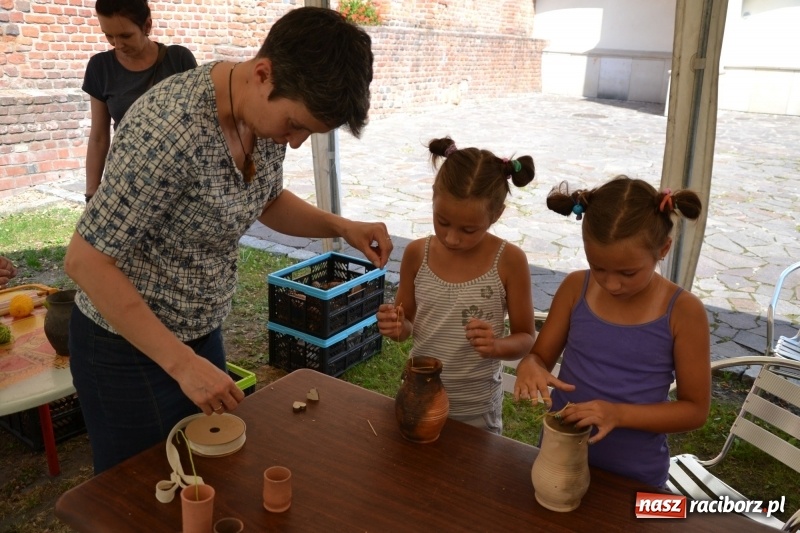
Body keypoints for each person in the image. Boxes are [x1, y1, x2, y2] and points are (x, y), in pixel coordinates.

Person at [64, 6, 390, 474]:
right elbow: (85, 261)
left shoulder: (261, 117)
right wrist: (181, 365)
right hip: (124, 348)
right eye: (296, 125)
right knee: (139, 495)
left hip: (199, 331)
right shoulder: (167, 129)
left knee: (210, 472)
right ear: (263, 73)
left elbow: (263, 196)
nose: (294, 142)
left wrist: (340, 226)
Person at [513, 176, 711, 488]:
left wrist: (617, 414)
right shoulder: (576, 288)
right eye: (598, 267)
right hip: (560, 456)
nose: (611, 283)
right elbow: (539, 357)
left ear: (663, 249)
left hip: (636, 474)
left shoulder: (684, 312)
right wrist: (530, 366)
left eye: (628, 272)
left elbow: (695, 410)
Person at [376, 137, 537, 435]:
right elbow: (406, 324)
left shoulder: (509, 261)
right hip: (420, 397)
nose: (451, 238)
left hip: (476, 409)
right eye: (442, 221)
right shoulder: (416, 254)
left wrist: (497, 346)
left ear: (496, 214)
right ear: (433, 197)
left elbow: (527, 337)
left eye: (468, 230)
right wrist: (395, 326)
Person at [82, 0, 197, 203]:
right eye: (108, 35)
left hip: (179, 183)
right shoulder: (100, 67)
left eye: (125, 35)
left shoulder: (179, 60)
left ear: (147, 26)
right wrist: (91, 193)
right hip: (126, 181)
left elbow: (198, 124)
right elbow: (99, 136)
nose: (117, 44)